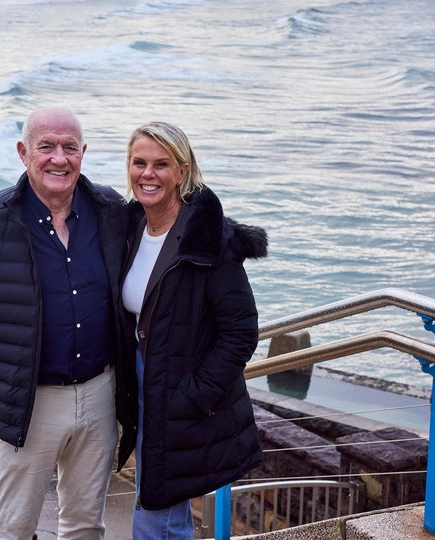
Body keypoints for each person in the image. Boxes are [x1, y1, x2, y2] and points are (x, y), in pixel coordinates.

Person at [0, 107, 128, 540]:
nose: (58, 158)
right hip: (28, 401)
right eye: (46, 146)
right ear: (23, 152)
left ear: (83, 152)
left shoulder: (111, 209)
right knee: (14, 527)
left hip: (100, 394)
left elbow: (162, 235)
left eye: (69, 147)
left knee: (86, 525)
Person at [117, 122, 267, 539]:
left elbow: (241, 332)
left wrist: (193, 395)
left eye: (161, 164)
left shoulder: (210, 240)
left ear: (182, 170)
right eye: (139, 162)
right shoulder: (129, 226)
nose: (148, 174)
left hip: (180, 392)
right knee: (159, 503)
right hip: (139, 384)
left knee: (159, 510)